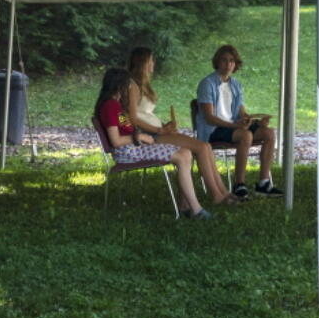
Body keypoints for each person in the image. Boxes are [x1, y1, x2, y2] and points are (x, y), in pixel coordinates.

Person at [125, 47, 242, 207]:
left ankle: (222, 192)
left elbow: (144, 113)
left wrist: (163, 125)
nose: (154, 63)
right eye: (151, 60)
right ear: (143, 62)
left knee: (205, 146)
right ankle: (216, 195)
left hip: (157, 131)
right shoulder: (131, 85)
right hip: (150, 136)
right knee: (201, 147)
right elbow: (132, 118)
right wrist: (159, 130)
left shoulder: (141, 84)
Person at [94, 67, 212, 219]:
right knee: (183, 156)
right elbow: (116, 141)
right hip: (128, 152)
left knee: (186, 152)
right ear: (120, 86)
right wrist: (140, 137)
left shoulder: (116, 106)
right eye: (128, 86)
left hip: (135, 147)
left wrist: (144, 132)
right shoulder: (110, 107)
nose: (130, 90)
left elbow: (126, 127)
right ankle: (195, 209)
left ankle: (186, 205)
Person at [195, 44, 283, 198]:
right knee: (245, 135)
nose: (228, 64)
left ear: (235, 64)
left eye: (232, 61)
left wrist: (250, 119)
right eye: (224, 60)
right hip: (214, 129)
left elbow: (241, 111)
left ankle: (263, 183)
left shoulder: (235, 84)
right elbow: (209, 117)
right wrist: (235, 125)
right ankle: (239, 185)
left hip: (232, 126)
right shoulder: (207, 83)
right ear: (217, 62)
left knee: (268, 133)